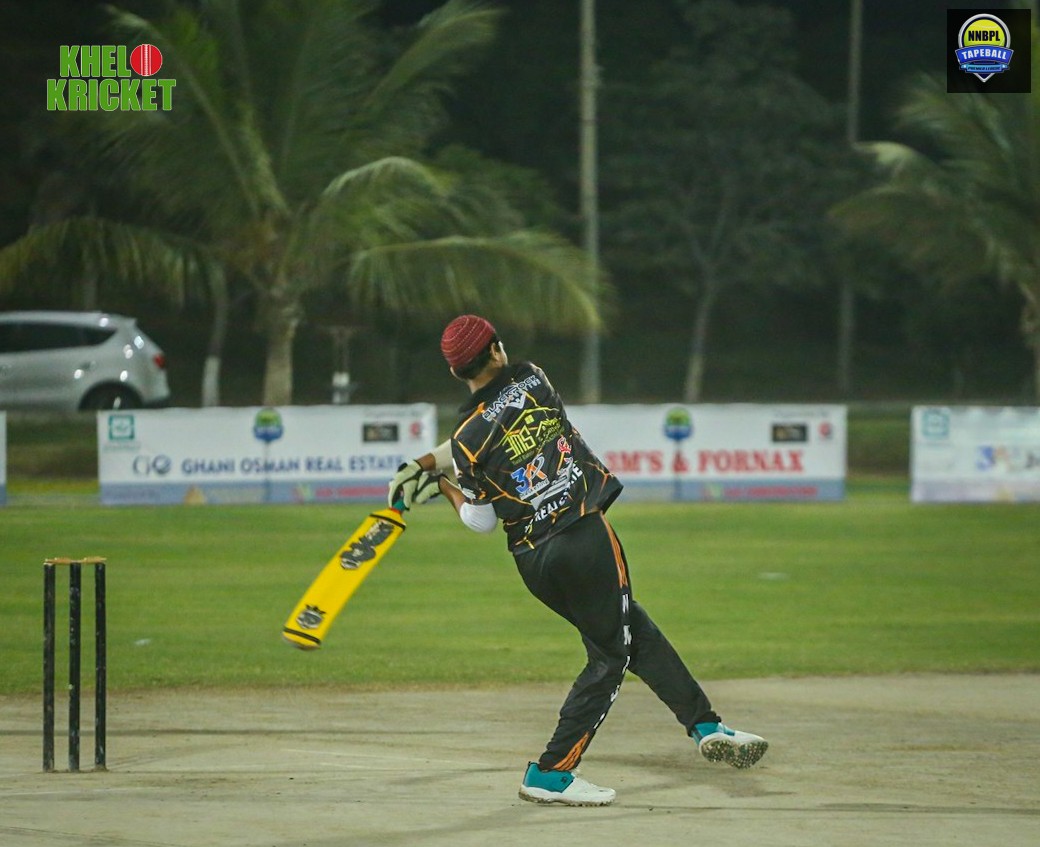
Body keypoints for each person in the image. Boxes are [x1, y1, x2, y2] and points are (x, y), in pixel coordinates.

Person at [388, 314, 767, 807]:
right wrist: (433, 469)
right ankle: (551, 771)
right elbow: (498, 416)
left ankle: (706, 726)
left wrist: (437, 480)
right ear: (497, 348)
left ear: (455, 372)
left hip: (534, 562)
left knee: (631, 629)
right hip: (583, 535)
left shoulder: (464, 440)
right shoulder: (533, 379)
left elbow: (480, 518)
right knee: (611, 653)